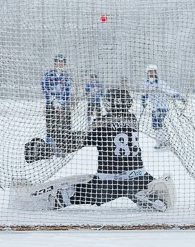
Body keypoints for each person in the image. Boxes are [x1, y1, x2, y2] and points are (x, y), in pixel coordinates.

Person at [22, 88, 175, 211]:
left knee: (74, 193)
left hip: (108, 183)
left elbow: (78, 141)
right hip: (139, 177)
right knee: (134, 187)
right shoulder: (132, 120)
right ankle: (149, 196)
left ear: (113, 103)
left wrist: (47, 149)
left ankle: (40, 203)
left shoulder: (102, 122)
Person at [140, 64, 185, 150]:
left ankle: (162, 142)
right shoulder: (146, 83)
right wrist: (143, 100)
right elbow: (144, 94)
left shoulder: (160, 83)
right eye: (149, 72)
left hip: (162, 106)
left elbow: (169, 90)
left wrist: (178, 96)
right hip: (154, 107)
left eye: (152, 71)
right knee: (156, 125)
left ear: (156, 72)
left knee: (157, 123)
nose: (151, 73)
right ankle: (162, 141)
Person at [41, 54, 73, 155]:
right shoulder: (49, 74)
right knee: (51, 125)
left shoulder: (66, 76)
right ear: (55, 62)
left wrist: (61, 102)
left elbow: (68, 90)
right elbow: (44, 87)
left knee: (64, 125)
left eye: (62, 61)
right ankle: (50, 148)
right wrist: (53, 101)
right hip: (51, 103)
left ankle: (63, 147)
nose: (60, 63)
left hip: (63, 104)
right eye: (58, 61)